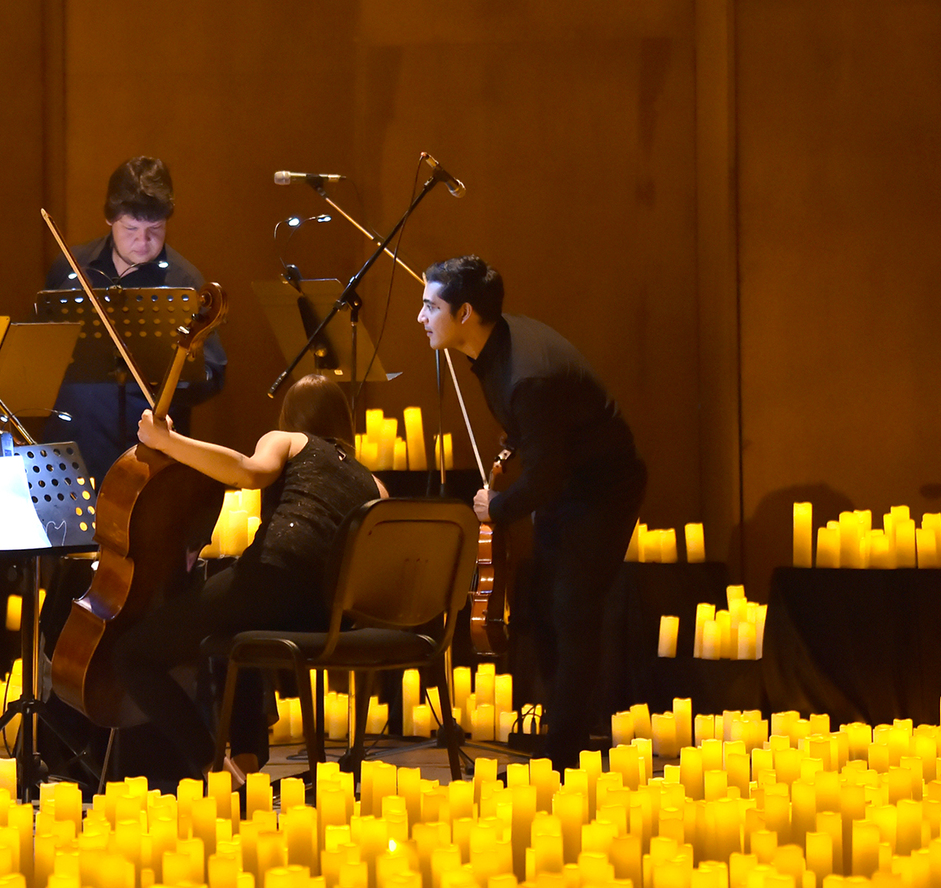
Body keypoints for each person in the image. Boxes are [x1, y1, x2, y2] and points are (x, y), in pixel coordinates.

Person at [417, 255, 645, 772]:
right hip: (571, 484)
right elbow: (541, 439)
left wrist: (494, 507)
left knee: (572, 609)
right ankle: (560, 736)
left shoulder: (526, 375)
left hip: (603, 489)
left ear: (466, 312)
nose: (421, 317)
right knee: (543, 606)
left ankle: (564, 754)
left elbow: (545, 479)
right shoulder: (495, 349)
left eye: (431, 306)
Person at [109, 373, 384, 784]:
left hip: (275, 576)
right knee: (240, 635)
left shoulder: (288, 440)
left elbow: (247, 471)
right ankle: (249, 764)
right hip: (331, 615)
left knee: (133, 655)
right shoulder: (374, 483)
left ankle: (217, 771)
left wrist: (168, 442)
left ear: (290, 417)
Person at [43, 156, 226, 475]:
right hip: (71, 451)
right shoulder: (70, 268)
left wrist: (168, 382)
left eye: (155, 229)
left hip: (146, 459)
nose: (143, 242)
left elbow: (213, 371)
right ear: (109, 220)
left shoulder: (184, 283)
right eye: (131, 229)